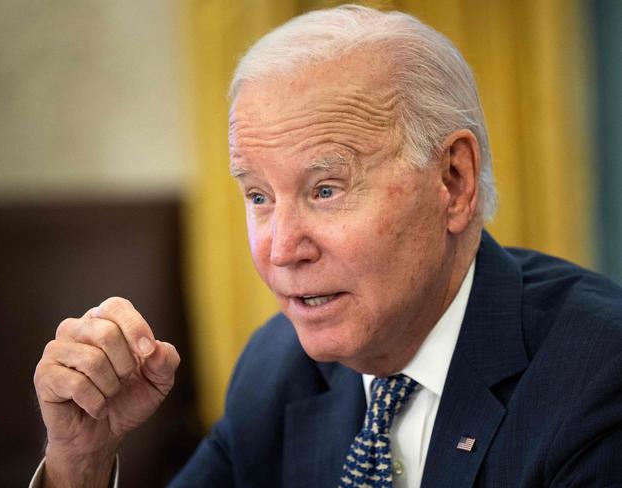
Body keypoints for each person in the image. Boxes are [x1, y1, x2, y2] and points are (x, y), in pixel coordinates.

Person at [31, 5, 622, 488]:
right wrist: (79, 462)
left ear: (453, 180)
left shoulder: (598, 376)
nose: (282, 250)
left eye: (326, 189)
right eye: (259, 196)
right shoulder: (277, 370)